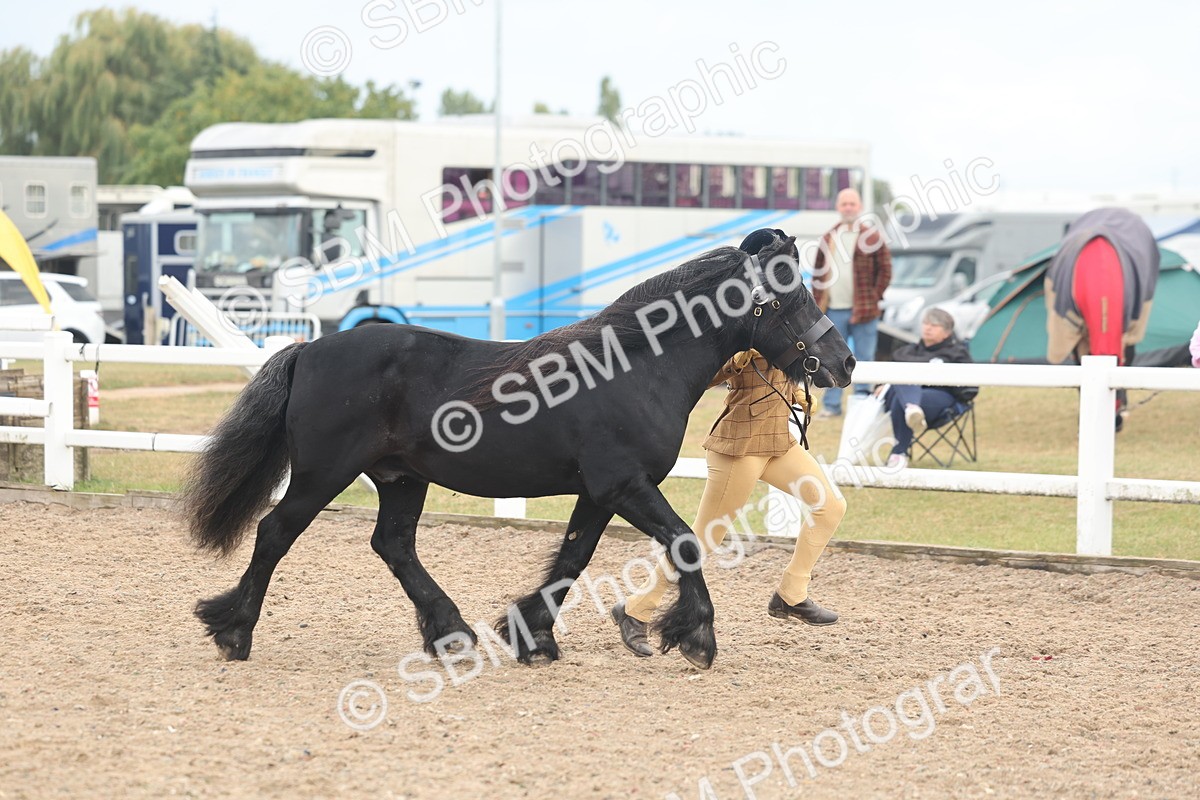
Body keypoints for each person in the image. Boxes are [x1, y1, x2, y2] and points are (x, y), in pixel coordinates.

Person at [611, 229, 848, 667]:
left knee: (830, 507)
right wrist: (735, 362)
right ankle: (634, 610)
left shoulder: (782, 313)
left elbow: (788, 365)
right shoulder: (741, 322)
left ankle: (791, 594)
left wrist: (798, 393)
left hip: (777, 441)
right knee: (702, 541)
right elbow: (709, 369)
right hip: (740, 445)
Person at [811, 188, 892, 417]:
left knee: (865, 357)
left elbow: (885, 270)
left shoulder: (872, 237)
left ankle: (862, 404)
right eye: (844, 203)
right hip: (833, 310)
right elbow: (818, 273)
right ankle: (832, 405)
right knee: (833, 359)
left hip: (865, 311)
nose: (848, 207)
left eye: (852, 204)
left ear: (860, 207)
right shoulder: (828, 237)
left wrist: (874, 297)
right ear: (838, 207)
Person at [881, 308, 977, 470]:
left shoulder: (957, 354)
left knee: (901, 396)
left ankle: (899, 452)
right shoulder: (905, 351)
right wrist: (881, 385)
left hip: (940, 400)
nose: (928, 328)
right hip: (899, 399)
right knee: (902, 382)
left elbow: (969, 389)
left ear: (947, 333)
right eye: (926, 323)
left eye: (934, 325)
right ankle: (911, 408)